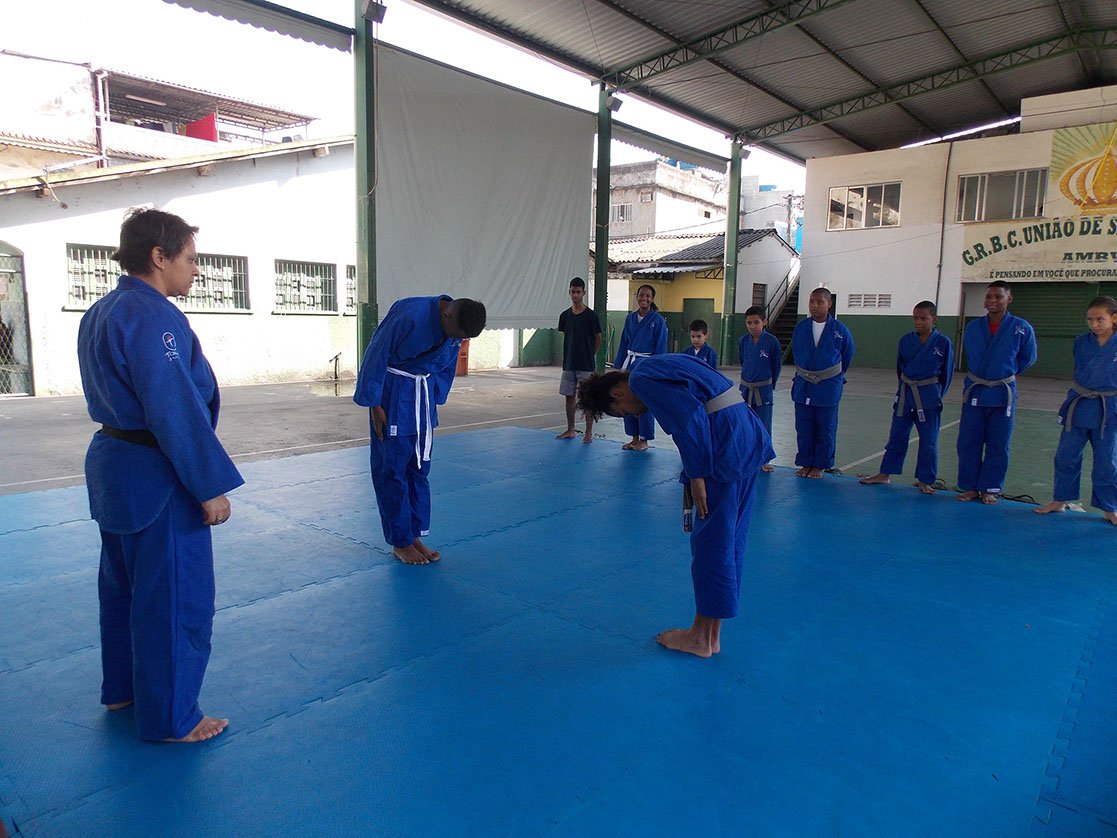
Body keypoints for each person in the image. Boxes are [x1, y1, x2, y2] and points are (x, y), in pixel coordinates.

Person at [77, 208, 243, 743]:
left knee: (123, 588)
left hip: (114, 467)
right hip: (157, 472)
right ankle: (173, 717)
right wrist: (208, 485)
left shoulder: (100, 310)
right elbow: (173, 406)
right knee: (174, 596)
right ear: (158, 256)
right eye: (190, 259)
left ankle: (123, 689)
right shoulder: (153, 316)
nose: (196, 270)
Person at [577, 354, 773, 657]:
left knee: (711, 544)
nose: (633, 414)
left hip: (722, 445)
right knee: (730, 539)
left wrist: (696, 475)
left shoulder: (642, 379)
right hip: (743, 434)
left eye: (623, 412)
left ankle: (701, 638)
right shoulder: (658, 364)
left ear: (617, 393)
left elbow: (689, 419)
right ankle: (711, 633)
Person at [353, 294, 486, 564]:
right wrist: (375, 405)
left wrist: (434, 401)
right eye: (455, 335)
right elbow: (376, 353)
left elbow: (445, 367)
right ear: (446, 314)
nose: (455, 341)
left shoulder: (456, 328)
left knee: (419, 467)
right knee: (392, 468)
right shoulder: (409, 315)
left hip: (421, 397)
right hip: (393, 394)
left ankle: (413, 535)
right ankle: (400, 542)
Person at [1035, 296, 1117, 525]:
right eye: (1090, 319)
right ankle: (1060, 500)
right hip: (1080, 406)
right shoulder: (1081, 342)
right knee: (1066, 455)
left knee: (1107, 461)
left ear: (1114, 318)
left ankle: (1110, 508)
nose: (1094, 324)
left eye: (1100, 319)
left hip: (1109, 409)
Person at [859, 301, 954, 494]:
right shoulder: (905, 340)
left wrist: (936, 394)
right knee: (896, 436)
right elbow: (899, 369)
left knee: (928, 439)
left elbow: (947, 374)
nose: (918, 322)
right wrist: (903, 389)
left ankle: (925, 479)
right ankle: (884, 474)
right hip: (905, 394)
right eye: (915, 318)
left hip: (929, 396)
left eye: (923, 318)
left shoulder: (943, 343)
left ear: (934, 319)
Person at [956, 280, 1037, 504]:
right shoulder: (973, 327)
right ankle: (970, 487)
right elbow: (971, 356)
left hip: (1002, 393)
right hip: (976, 391)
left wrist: (1005, 371)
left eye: (998, 296)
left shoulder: (1021, 327)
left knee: (998, 443)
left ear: (1009, 299)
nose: (992, 300)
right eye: (988, 296)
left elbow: (1028, 358)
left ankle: (990, 488)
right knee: (968, 441)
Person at [790, 287, 854, 478]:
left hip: (828, 385)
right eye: (811, 301)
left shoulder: (840, 330)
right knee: (804, 426)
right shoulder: (801, 328)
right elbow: (797, 353)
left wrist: (833, 375)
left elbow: (847, 355)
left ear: (829, 304)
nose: (814, 306)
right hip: (804, 384)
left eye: (820, 302)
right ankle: (805, 462)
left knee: (826, 427)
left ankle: (820, 465)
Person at [613, 284, 668, 450]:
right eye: (641, 295)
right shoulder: (630, 318)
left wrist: (657, 369)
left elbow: (661, 346)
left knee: (644, 401)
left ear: (652, 299)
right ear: (637, 297)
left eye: (648, 296)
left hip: (646, 364)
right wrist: (620, 366)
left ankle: (644, 440)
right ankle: (634, 437)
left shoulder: (657, 320)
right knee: (627, 398)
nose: (644, 298)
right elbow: (624, 342)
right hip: (630, 363)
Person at [555, 277, 602, 443]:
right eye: (573, 292)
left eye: (578, 292)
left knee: (587, 398)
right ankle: (570, 430)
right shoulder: (564, 316)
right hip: (569, 364)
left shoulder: (591, 316)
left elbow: (598, 338)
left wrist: (590, 354)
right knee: (569, 396)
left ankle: (588, 433)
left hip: (586, 365)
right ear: (569, 292)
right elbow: (567, 337)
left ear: (584, 293)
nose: (575, 295)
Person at [738, 305, 781, 473]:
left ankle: (764, 459)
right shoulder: (742, 341)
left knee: (763, 424)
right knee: (744, 423)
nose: (752, 326)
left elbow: (776, 366)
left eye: (756, 322)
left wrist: (770, 385)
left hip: (763, 389)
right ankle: (746, 456)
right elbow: (743, 362)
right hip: (745, 388)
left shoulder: (771, 341)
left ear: (764, 322)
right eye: (749, 323)